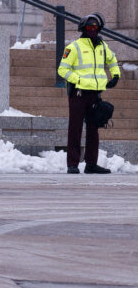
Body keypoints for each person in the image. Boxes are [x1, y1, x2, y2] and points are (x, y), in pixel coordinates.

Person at [57, 12, 120, 174]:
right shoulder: (74, 47)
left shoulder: (102, 46)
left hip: (95, 94)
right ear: (83, 29)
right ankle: (72, 164)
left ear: (99, 29)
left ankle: (91, 164)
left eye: (95, 27)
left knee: (93, 129)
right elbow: (63, 69)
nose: (93, 30)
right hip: (78, 94)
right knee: (75, 128)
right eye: (90, 27)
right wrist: (78, 81)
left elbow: (112, 60)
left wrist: (116, 75)